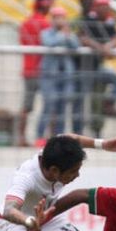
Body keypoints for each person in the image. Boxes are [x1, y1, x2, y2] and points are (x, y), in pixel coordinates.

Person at [75, 0, 116, 136]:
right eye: (101, 6)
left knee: (100, 98)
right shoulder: (87, 20)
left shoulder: (109, 22)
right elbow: (82, 38)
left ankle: (107, 106)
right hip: (83, 68)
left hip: (97, 67)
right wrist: (101, 47)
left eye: (106, 6)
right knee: (80, 102)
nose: (105, 9)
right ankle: (77, 133)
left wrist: (107, 47)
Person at [35, 8, 79, 146]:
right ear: (52, 19)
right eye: (57, 17)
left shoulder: (69, 35)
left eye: (62, 17)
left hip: (65, 75)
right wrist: (61, 35)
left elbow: (76, 46)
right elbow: (49, 43)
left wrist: (68, 36)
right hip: (49, 75)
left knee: (62, 108)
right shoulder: (46, 33)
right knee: (48, 105)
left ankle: (59, 138)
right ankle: (39, 136)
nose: (60, 20)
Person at [18, 0, 53, 147]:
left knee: (26, 106)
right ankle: (49, 138)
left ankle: (20, 138)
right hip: (42, 70)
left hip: (28, 68)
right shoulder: (46, 25)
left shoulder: (25, 23)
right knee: (50, 105)